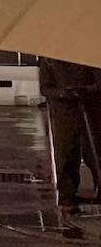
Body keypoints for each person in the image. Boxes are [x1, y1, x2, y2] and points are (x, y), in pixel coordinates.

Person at [39, 58, 101, 208]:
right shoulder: (49, 61)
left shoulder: (89, 58)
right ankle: (67, 196)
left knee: (95, 154)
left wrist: (85, 91)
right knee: (66, 154)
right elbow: (46, 88)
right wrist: (62, 93)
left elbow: (99, 84)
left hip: (90, 114)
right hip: (64, 116)